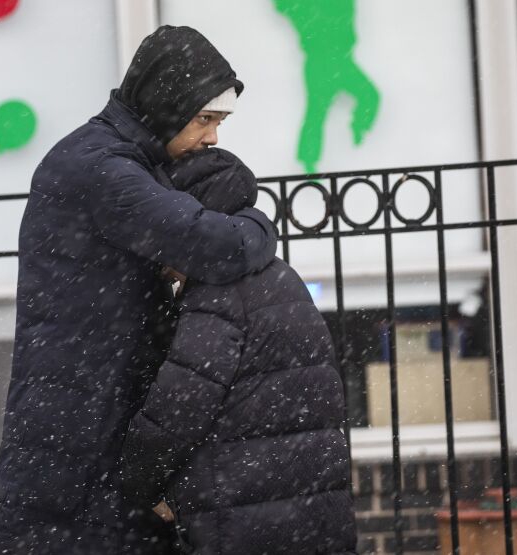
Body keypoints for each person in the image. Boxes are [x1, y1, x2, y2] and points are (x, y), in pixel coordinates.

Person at [0, 26, 278, 554]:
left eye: (219, 121)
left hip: (89, 418)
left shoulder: (115, 159)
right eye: (205, 119)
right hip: (81, 431)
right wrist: (259, 223)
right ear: (168, 107)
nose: (213, 137)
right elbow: (216, 245)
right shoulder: (104, 169)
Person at [120, 148, 357, 554]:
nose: (156, 258)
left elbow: (177, 409)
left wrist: (136, 482)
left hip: (244, 517)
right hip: (300, 508)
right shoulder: (276, 276)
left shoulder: (219, 294)